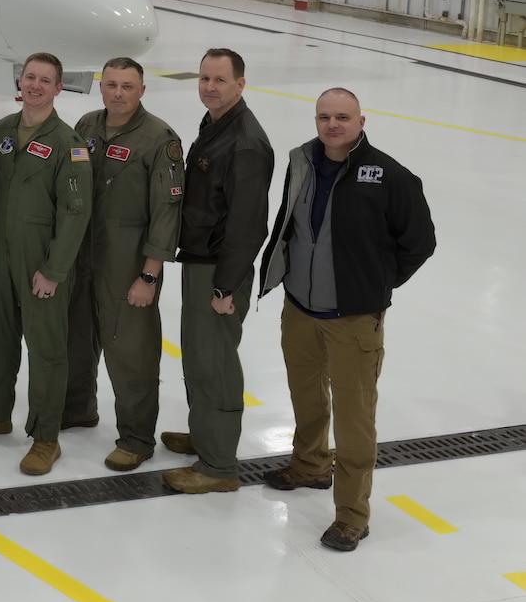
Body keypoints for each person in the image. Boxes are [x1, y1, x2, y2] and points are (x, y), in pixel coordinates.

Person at [257, 88, 435, 551]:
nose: (332, 125)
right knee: (306, 394)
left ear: (361, 120)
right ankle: (310, 465)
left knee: (355, 420)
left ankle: (353, 514)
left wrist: (375, 283)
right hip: (299, 306)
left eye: (342, 117)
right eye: (324, 117)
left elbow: (420, 242)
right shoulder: (301, 161)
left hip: (353, 317)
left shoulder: (389, 176)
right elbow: (288, 223)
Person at [0, 52, 93, 476]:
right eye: (30, 78)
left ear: (59, 88)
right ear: (19, 81)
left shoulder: (68, 145)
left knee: (46, 352)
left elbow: (75, 213)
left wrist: (54, 270)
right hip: (1, 257)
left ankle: (45, 438)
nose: (35, 86)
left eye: (45, 80)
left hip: (41, 264)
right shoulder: (2, 132)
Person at [161, 48, 275, 495]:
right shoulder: (216, 126)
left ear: (240, 85)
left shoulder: (245, 142)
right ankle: (206, 436)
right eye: (205, 78)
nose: (210, 87)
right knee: (197, 356)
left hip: (219, 271)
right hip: (201, 262)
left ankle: (218, 466)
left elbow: (248, 227)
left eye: (220, 80)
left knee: (216, 365)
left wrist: (226, 286)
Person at [64, 58, 183, 471]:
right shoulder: (87, 126)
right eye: (111, 84)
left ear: (142, 91)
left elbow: (167, 213)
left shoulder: (158, 138)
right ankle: (78, 408)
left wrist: (149, 274)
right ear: (101, 88)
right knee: (78, 336)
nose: (118, 93)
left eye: (127, 86)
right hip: (83, 255)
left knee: (130, 350)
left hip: (128, 259)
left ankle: (136, 437)